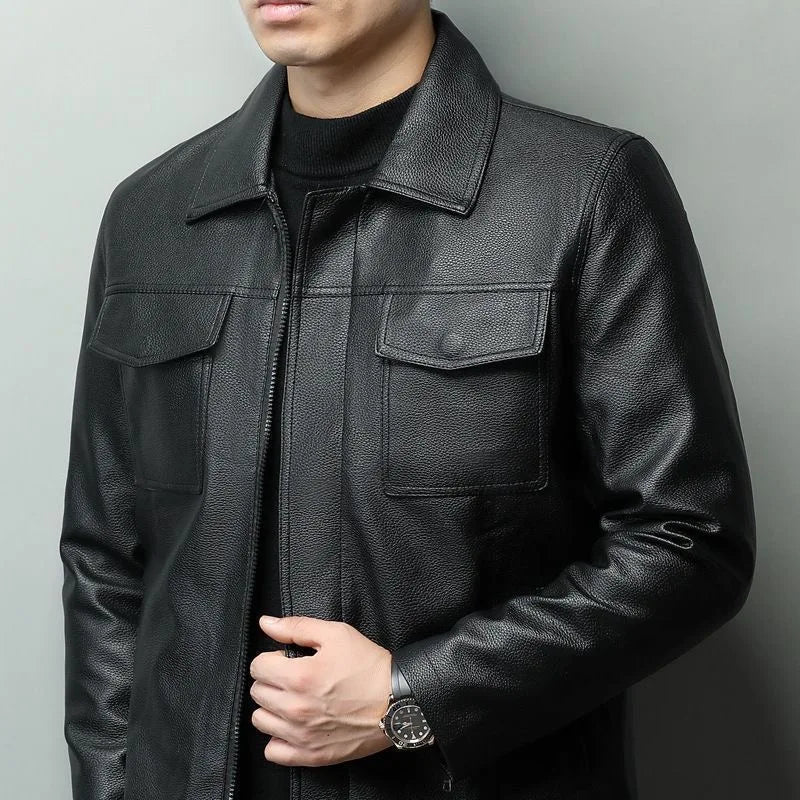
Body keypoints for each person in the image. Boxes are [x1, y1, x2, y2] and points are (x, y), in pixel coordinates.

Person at [59, 2, 757, 800]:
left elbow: (689, 539)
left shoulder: (585, 190)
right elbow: (104, 559)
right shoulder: (150, 214)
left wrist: (415, 700)